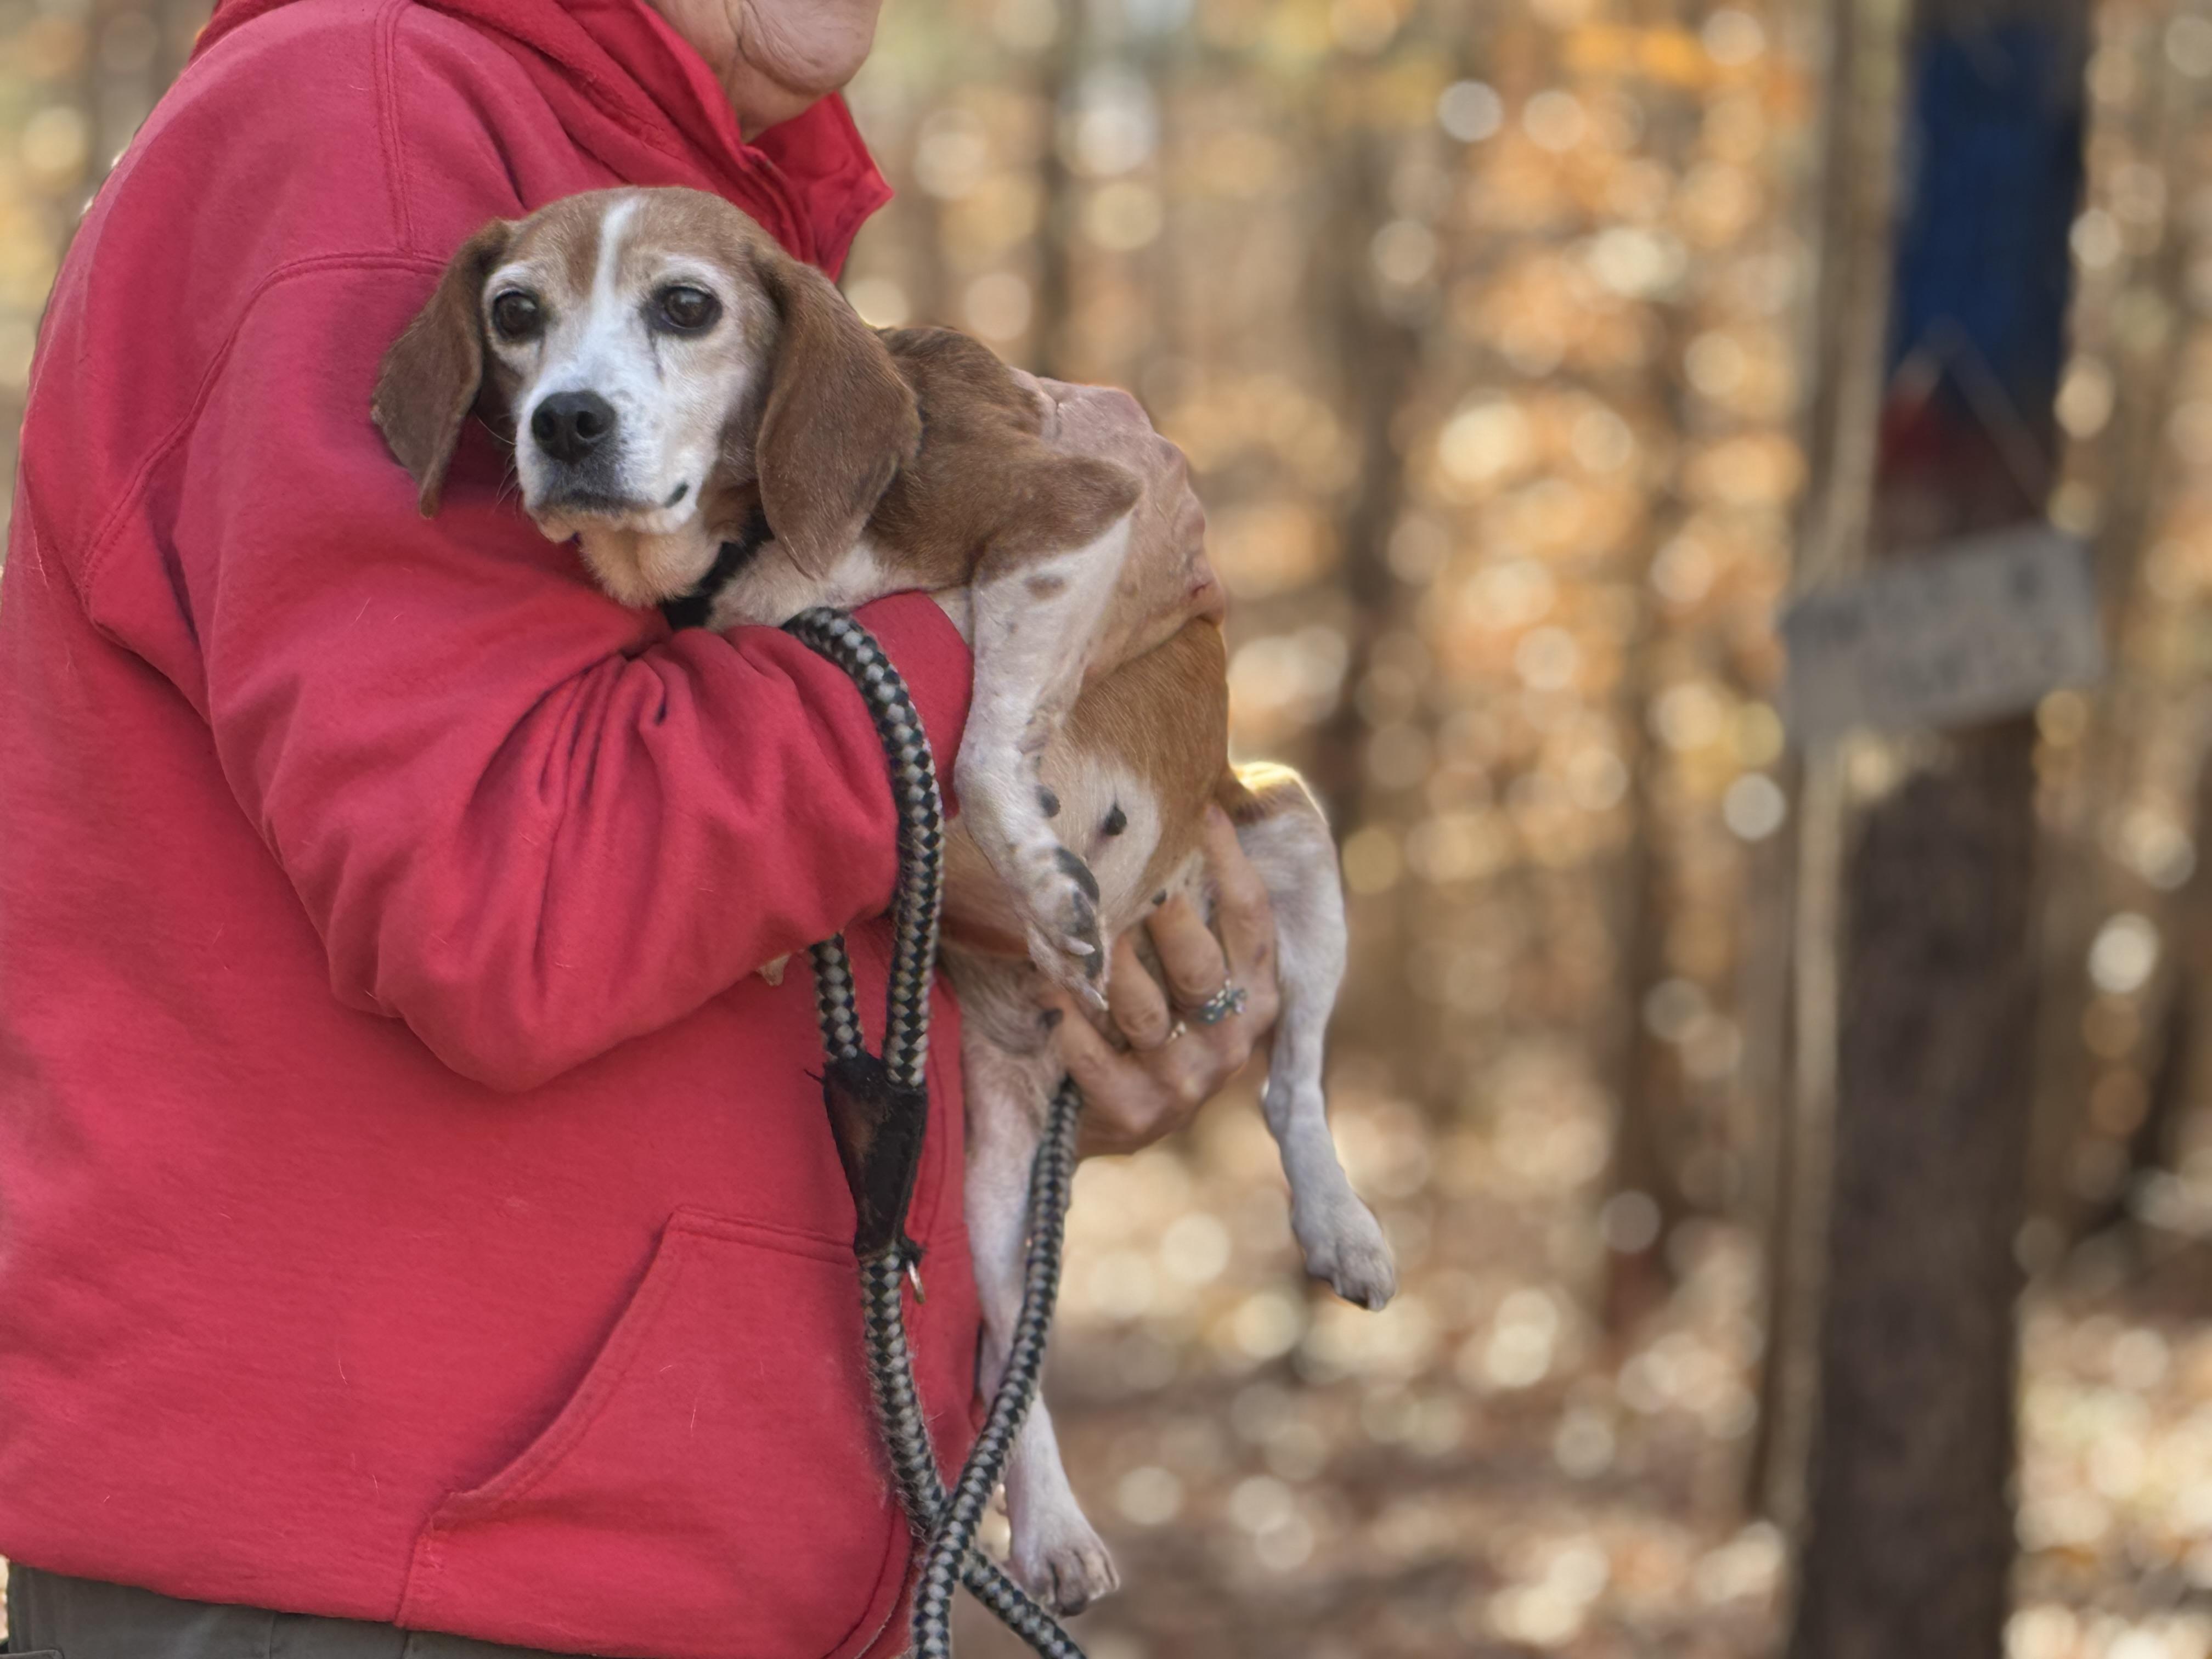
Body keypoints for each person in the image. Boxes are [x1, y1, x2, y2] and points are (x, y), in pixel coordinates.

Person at [0, 1, 1281, 1655]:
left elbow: (726, 857)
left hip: (693, 1561)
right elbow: (496, 900)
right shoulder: (375, 118)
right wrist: (1017, 630)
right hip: (400, 1574)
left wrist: (1069, 984)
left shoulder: (672, 180)